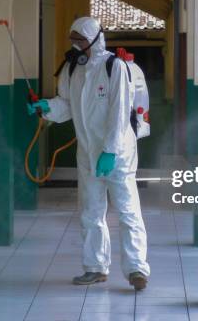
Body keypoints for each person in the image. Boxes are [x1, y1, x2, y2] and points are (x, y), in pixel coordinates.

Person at [27, 17, 150, 290]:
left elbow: (120, 112)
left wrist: (110, 151)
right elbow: (67, 106)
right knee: (91, 212)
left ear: (94, 38)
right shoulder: (72, 69)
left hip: (118, 153)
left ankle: (137, 270)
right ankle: (95, 267)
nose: (77, 45)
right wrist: (47, 107)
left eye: (81, 40)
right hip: (87, 152)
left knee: (128, 211)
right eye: (73, 40)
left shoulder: (113, 66)